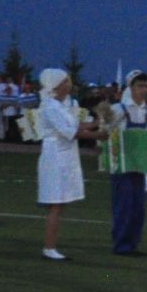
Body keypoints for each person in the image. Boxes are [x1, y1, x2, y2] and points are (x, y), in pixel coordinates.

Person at [36, 67, 95, 260]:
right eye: (65, 82)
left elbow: (76, 126)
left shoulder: (61, 106)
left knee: (59, 205)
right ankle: (49, 247)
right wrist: (99, 134)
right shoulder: (50, 107)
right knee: (55, 204)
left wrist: (99, 122)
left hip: (64, 156)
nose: (68, 85)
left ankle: (51, 246)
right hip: (55, 157)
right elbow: (71, 132)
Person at [106, 70, 147, 256]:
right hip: (122, 164)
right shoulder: (118, 109)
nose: (144, 90)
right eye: (140, 86)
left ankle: (132, 243)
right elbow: (104, 130)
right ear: (131, 87)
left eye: (146, 86)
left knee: (138, 207)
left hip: (139, 164)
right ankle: (121, 244)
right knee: (124, 205)